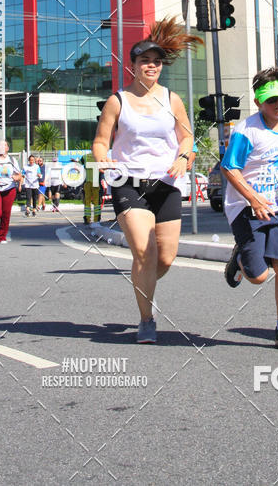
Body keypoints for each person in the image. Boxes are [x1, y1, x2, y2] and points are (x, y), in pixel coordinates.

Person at [93, 17, 200, 343]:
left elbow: (187, 137)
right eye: (145, 62)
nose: (151, 66)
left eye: (156, 62)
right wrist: (102, 160)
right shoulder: (118, 101)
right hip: (128, 181)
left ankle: (144, 283)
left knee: (164, 257)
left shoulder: (172, 99)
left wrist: (183, 157)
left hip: (166, 183)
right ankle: (146, 318)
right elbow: (101, 140)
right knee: (143, 250)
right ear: (134, 66)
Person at [221, 67, 278, 351]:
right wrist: (253, 200)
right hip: (245, 207)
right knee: (258, 277)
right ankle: (240, 259)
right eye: (273, 100)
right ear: (259, 101)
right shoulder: (246, 131)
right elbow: (229, 168)